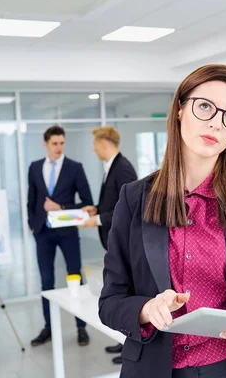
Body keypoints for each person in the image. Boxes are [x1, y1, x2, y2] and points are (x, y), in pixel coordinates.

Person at [98, 64, 226, 377]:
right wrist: (148, 310)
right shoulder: (134, 199)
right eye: (205, 107)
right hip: (158, 368)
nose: (216, 124)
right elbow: (110, 303)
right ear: (179, 110)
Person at [27, 125, 93, 347]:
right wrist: (32, 226)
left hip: (67, 232)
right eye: (54, 143)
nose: (59, 147)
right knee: (46, 281)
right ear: (45, 144)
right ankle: (49, 328)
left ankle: (81, 327)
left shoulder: (75, 168)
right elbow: (31, 199)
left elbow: (87, 202)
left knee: (75, 276)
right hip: (43, 232)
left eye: (62, 143)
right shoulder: (35, 168)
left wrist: (61, 207)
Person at [81, 126, 137, 364]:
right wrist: (96, 208)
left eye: (95, 144)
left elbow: (129, 206)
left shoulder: (122, 168)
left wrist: (99, 219)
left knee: (127, 293)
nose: (93, 149)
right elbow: (113, 201)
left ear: (104, 144)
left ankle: (130, 347)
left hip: (125, 241)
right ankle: (124, 340)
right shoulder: (111, 166)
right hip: (113, 239)